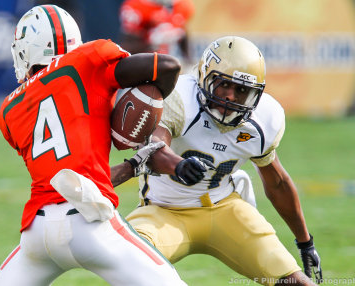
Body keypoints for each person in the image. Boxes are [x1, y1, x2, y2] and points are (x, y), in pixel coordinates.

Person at [0, 4, 187, 286]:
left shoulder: (9, 110)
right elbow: (167, 66)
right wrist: (148, 110)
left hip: (36, 233)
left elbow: (65, 168)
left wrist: (130, 161)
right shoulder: (86, 59)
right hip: (90, 224)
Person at [125, 36, 324, 285]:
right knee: (127, 260)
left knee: (294, 281)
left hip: (224, 209)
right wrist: (178, 165)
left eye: (242, 90)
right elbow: (155, 150)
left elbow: (278, 183)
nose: (230, 97)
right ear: (205, 77)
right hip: (162, 212)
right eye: (223, 85)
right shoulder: (179, 97)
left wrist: (305, 242)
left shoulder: (265, 119)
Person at [119, 0, 194, 63]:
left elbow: (182, 32)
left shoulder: (182, 5)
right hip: (143, 66)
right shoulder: (136, 6)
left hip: (169, 66)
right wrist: (150, 41)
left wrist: (188, 59)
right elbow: (127, 46)